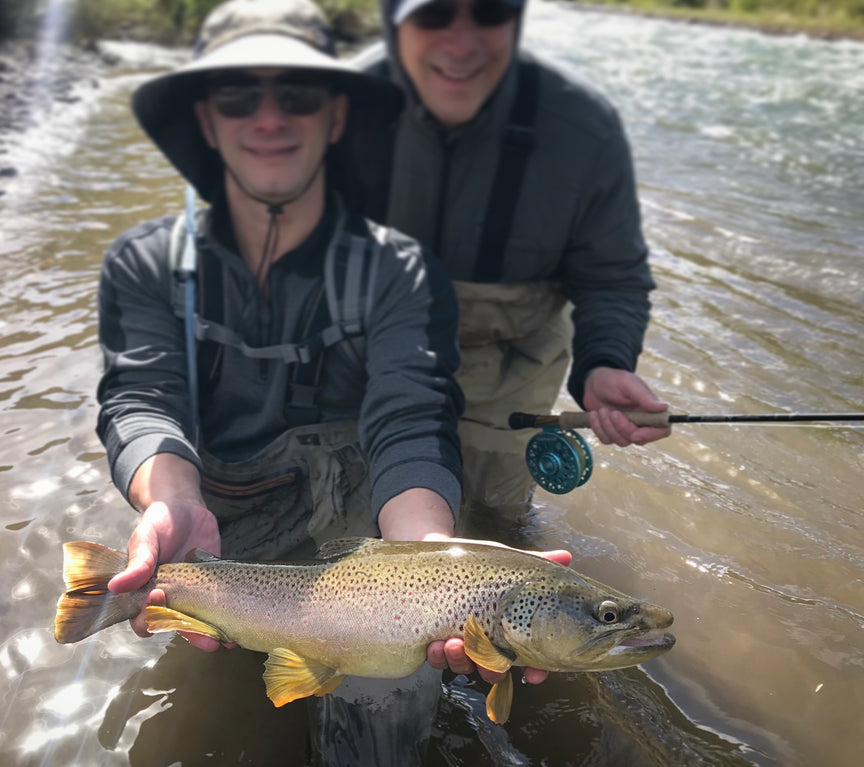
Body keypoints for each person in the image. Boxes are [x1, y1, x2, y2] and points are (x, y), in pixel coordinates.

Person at [93, 0, 570, 762]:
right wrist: (170, 502)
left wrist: (433, 564)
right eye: (239, 96)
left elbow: (410, 419)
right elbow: (142, 397)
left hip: (373, 523)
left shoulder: (401, 270)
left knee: (387, 714)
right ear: (207, 121)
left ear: (337, 116)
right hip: (223, 530)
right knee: (215, 702)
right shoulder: (145, 265)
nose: (270, 117)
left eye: (299, 94)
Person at [351, 0, 672, 533]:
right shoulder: (329, 107)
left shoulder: (585, 130)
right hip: (365, 360)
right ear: (393, 22)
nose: (461, 42)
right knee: (344, 515)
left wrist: (605, 361)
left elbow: (612, 276)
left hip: (509, 370)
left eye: (489, 12)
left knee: (499, 523)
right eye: (433, 16)